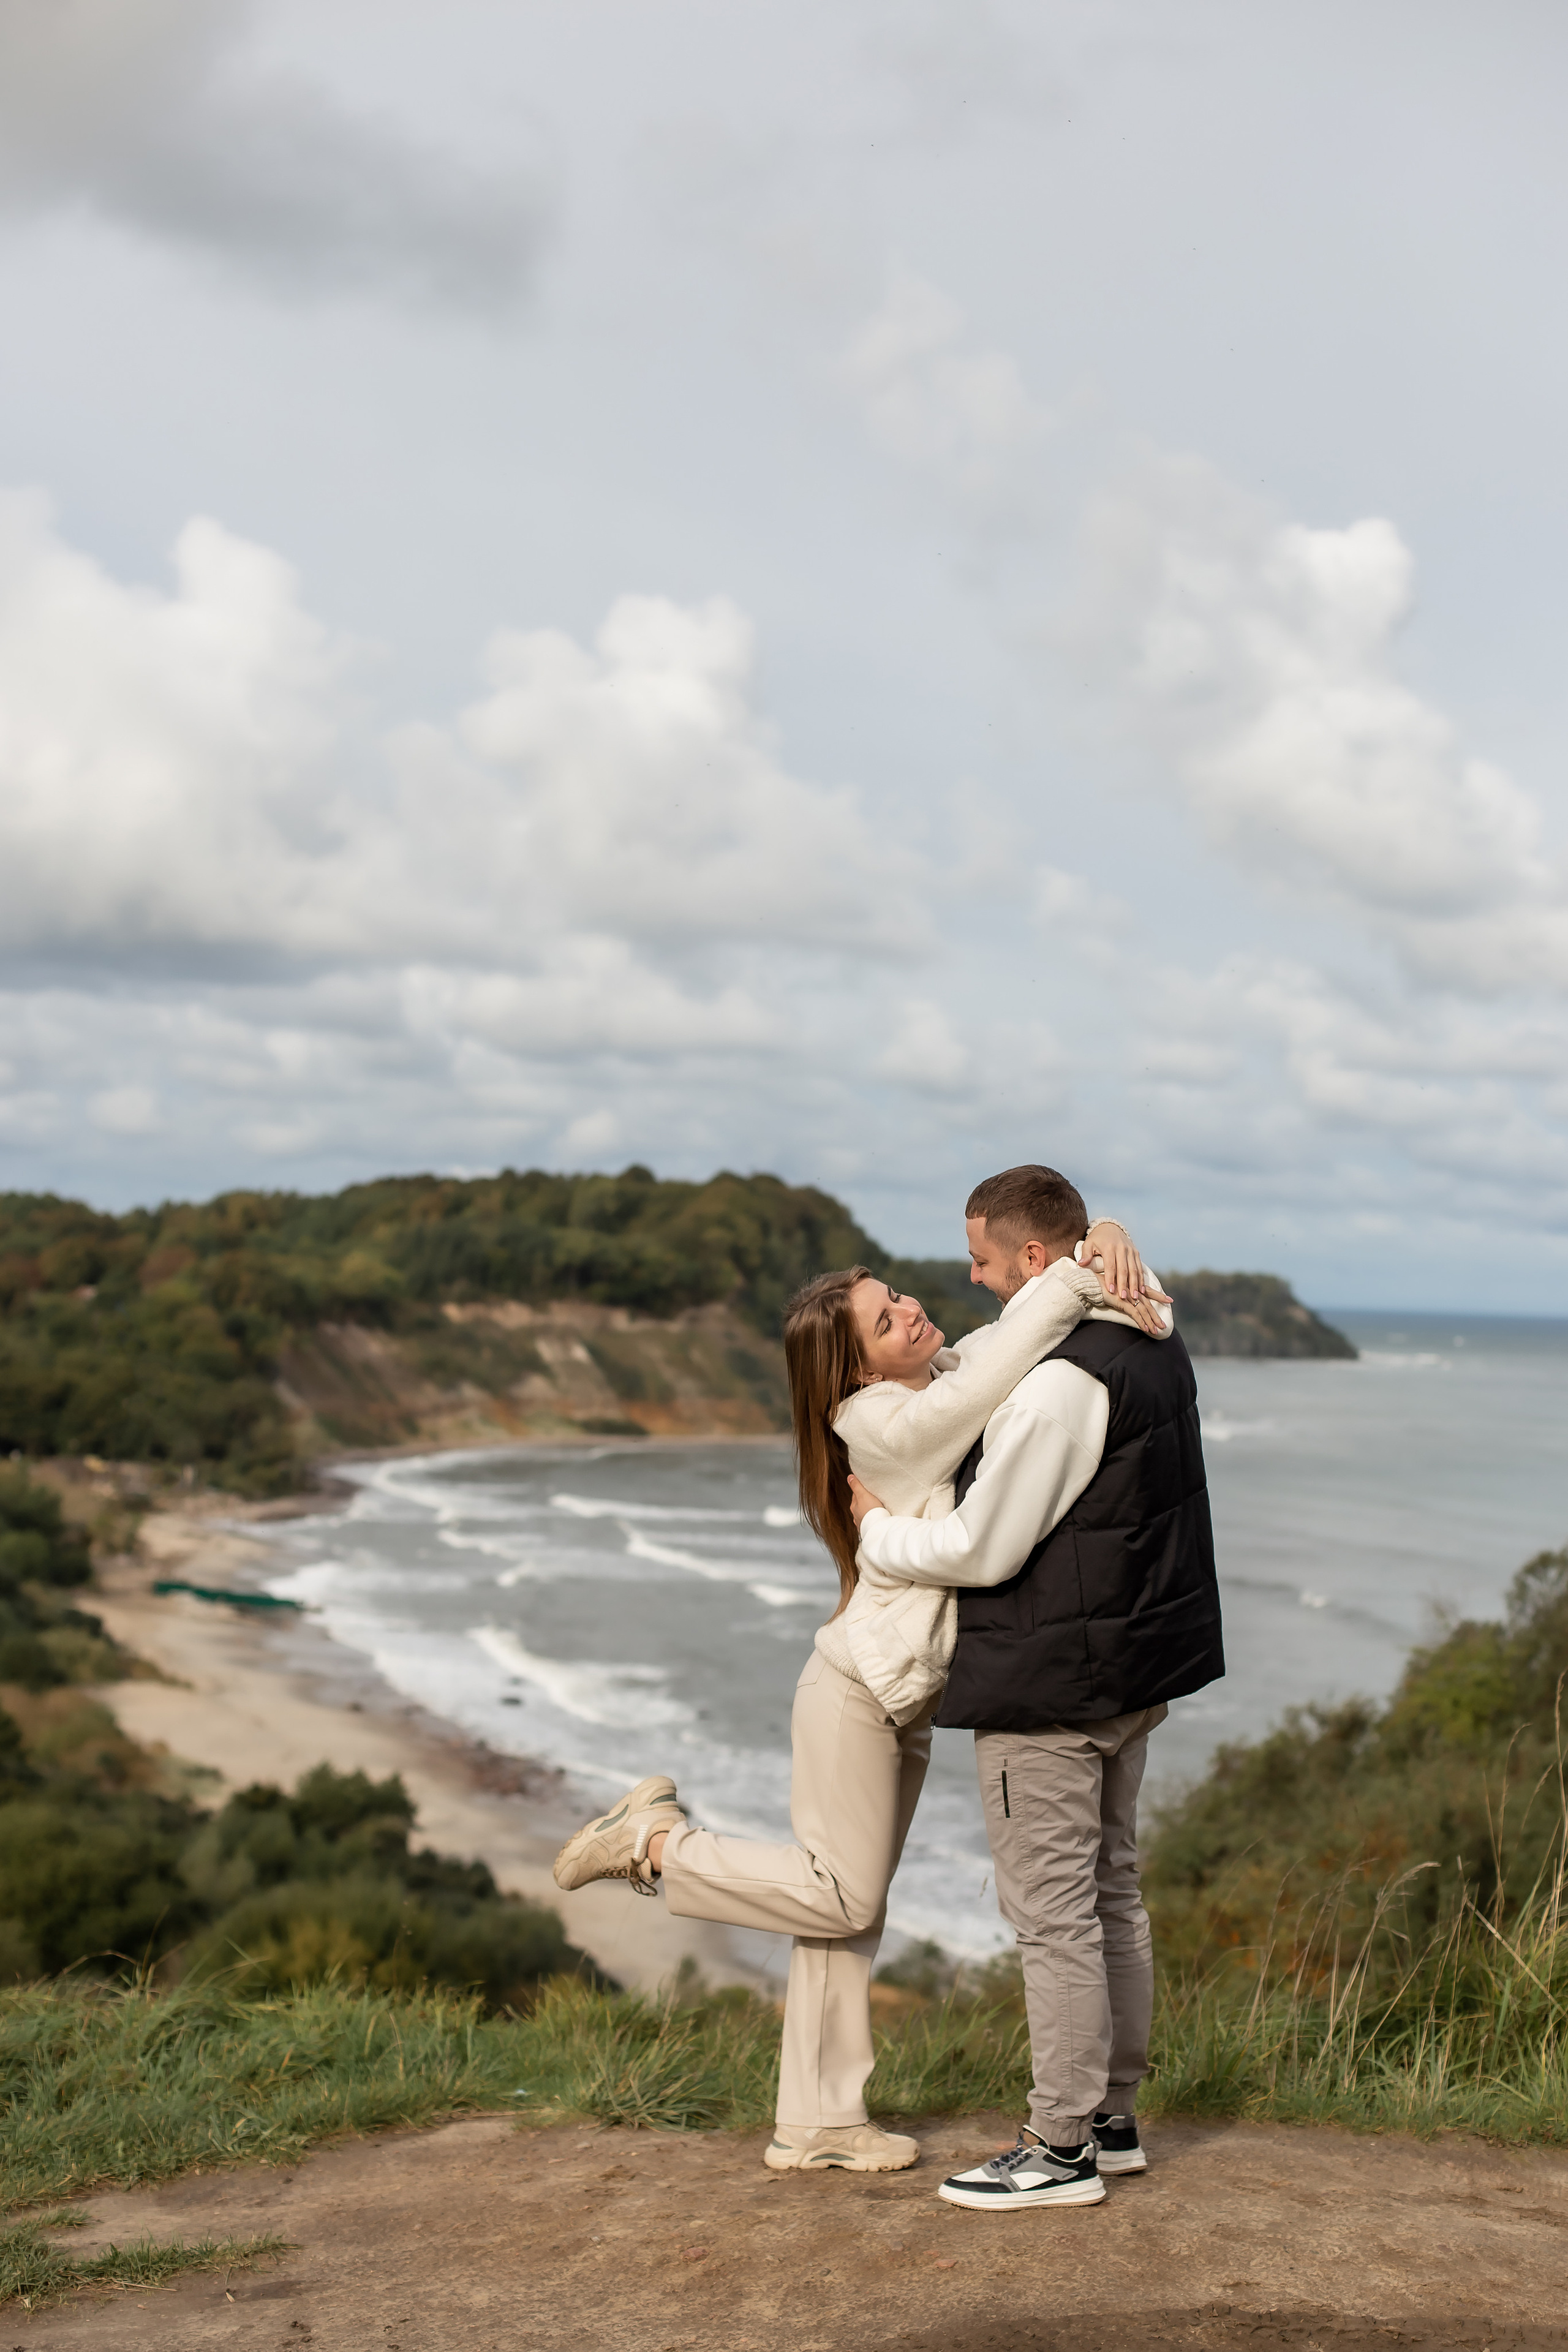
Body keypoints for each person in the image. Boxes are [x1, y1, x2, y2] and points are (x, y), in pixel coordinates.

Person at [551, 1211, 1170, 2174]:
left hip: (901, 1697)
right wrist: (1079, 1277)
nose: (914, 1311)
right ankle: (656, 1846)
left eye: (898, 1296)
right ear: (859, 1372)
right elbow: (1001, 1367)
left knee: (848, 1907)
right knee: (838, 1896)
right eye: (887, 1322)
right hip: (856, 1693)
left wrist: (1100, 1236)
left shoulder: (944, 1375)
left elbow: (1006, 1339)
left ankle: (819, 2120)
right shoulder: (876, 1421)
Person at [848, 1163, 1223, 2213]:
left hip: (1050, 1686)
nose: (967, 1280)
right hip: (1130, 1671)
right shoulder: (1149, 1324)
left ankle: (1058, 2147)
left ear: (1030, 1259)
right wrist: (1105, 1231)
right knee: (1113, 1894)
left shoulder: (1059, 1387)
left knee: (1056, 1919)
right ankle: (1111, 2120)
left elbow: (979, 1546)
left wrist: (879, 1529)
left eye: (979, 1258)